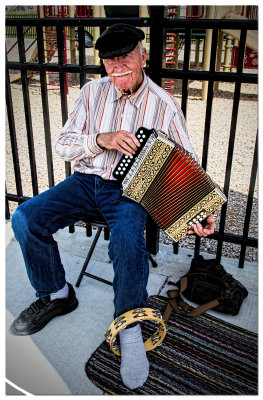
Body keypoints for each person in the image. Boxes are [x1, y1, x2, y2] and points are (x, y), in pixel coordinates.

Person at [10, 23, 215, 390]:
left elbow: (187, 161)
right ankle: (56, 293)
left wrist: (198, 211)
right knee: (25, 217)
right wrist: (100, 139)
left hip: (129, 192)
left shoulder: (163, 104)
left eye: (126, 56)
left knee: (126, 242)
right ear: (102, 62)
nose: (118, 65)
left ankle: (129, 325)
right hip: (86, 182)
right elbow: (63, 144)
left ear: (142, 55)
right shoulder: (92, 92)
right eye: (110, 59)